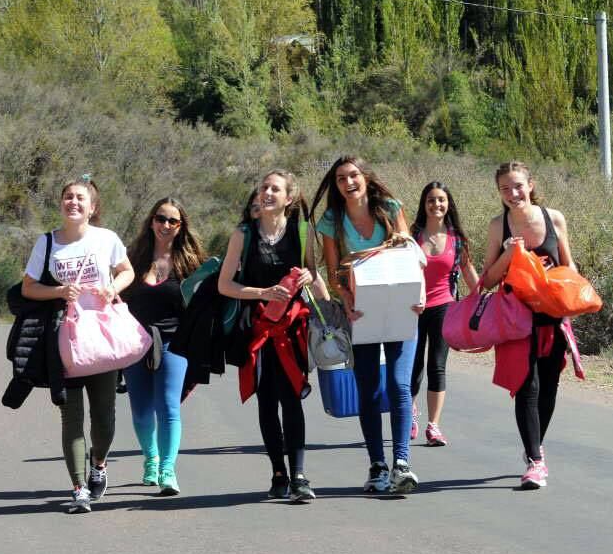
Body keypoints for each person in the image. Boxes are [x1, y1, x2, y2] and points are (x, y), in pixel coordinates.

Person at [21, 177, 135, 514]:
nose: (73, 202)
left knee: (104, 417)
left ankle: (98, 462)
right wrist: (57, 292)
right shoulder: (46, 243)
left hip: (101, 337)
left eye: (80, 198)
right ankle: (79, 487)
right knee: (70, 415)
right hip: (63, 339)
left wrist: (112, 288)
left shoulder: (106, 239)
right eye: (68, 197)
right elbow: (28, 288)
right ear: (61, 203)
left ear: (92, 207)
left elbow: (127, 271)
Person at [311, 156, 424, 494]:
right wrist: (344, 298)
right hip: (360, 313)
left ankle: (401, 464)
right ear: (336, 185)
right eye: (341, 178)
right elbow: (332, 273)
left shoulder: (389, 208)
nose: (348, 182)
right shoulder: (331, 220)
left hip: (401, 308)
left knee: (399, 385)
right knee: (370, 389)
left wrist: (420, 294)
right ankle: (377, 465)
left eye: (353, 175)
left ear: (365, 177)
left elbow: (410, 254)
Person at [219, 171, 329, 502]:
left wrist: (312, 278)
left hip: (293, 330)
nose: (267, 192)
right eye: (264, 187)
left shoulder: (301, 231)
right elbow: (225, 285)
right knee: (267, 401)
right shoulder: (243, 234)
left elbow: (316, 280)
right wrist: (263, 292)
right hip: (259, 331)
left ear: (288, 198)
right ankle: (278, 472)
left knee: (291, 398)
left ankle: (299, 475)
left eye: (275, 189)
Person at [479, 162, 575, 490]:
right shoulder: (498, 226)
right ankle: (535, 460)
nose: (513, 194)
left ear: (530, 185)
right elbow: (487, 280)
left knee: (548, 387)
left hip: (553, 316)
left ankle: (536, 448)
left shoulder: (554, 218)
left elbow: (569, 266)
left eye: (517, 186)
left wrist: (571, 301)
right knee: (526, 387)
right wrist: (507, 256)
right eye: (505, 189)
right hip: (517, 321)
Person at [121, 197, 207, 496]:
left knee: (168, 407)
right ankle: (151, 459)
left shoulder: (190, 264)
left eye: (173, 221)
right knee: (142, 412)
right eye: (160, 218)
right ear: (151, 221)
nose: (165, 225)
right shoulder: (133, 259)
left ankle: (168, 469)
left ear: (181, 227)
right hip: (136, 342)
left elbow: (202, 303)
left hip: (175, 343)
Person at [409, 182, 479, 447]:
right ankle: (410, 416)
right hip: (413, 308)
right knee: (413, 365)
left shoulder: (456, 239)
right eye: (431, 200)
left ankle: (433, 426)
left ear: (448, 204)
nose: (436, 205)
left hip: (444, 306)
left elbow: (469, 271)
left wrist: (482, 300)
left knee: (437, 365)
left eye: (441, 200)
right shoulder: (412, 235)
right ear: (423, 204)